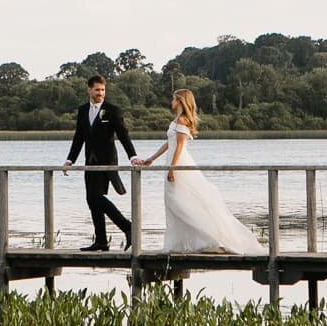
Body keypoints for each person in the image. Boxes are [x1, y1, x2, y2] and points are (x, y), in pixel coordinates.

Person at [140, 89, 265, 253]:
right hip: (172, 161)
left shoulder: (183, 121)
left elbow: (179, 147)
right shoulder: (176, 120)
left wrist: (172, 168)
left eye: (174, 99)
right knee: (172, 203)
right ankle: (181, 243)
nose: (172, 102)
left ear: (180, 101)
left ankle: (211, 239)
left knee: (181, 203)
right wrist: (152, 158)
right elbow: (169, 143)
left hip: (178, 164)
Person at [63, 75, 141, 251]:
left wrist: (132, 156)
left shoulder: (113, 110)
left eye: (103, 90)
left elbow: (123, 135)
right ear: (89, 90)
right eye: (97, 90)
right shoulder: (83, 110)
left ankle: (128, 227)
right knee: (91, 199)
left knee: (96, 197)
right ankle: (101, 241)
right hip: (89, 162)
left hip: (107, 162)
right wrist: (70, 159)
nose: (100, 93)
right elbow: (79, 137)